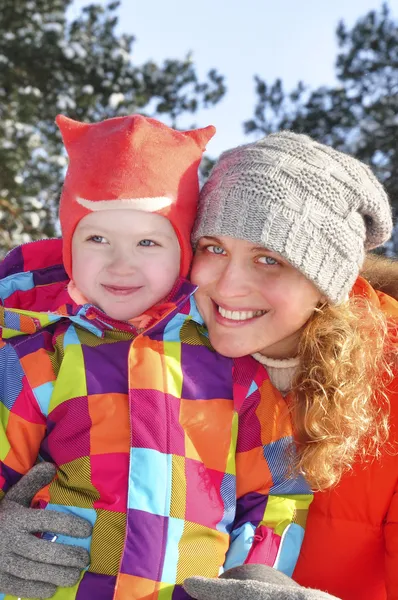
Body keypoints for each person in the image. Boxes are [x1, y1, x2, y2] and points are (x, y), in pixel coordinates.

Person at [0, 117, 311, 599]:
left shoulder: (235, 368)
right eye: (97, 238)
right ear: (68, 248)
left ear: (183, 252)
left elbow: (272, 494)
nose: (121, 264)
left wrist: (256, 574)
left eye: (148, 242)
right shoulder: (40, 356)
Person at [180, 131, 398, 600]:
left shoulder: (391, 383)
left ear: (326, 281)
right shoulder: (149, 343)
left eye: (269, 259)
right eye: (213, 247)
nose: (229, 286)